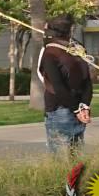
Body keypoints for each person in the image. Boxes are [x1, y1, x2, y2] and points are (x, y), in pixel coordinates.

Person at [38, 15, 92, 154]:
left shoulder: (50, 52)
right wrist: (84, 105)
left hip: (59, 109)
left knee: (60, 159)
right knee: (76, 157)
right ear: (70, 30)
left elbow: (58, 86)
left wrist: (77, 110)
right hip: (78, 107)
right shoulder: (77, 49)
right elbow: (87, 81)